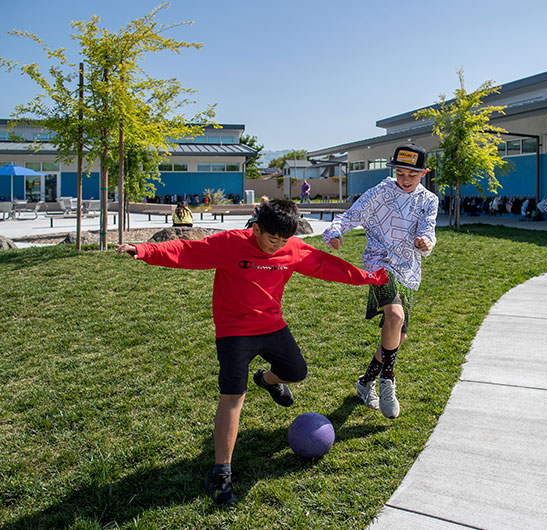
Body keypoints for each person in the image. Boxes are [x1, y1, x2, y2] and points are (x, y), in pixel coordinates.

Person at [117, 199, 387, 506]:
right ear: (256, 229)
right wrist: (143, 251)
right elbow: (187, 252)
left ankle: (269, 380)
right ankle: (220, 473)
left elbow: (327, 266)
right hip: (234, 331)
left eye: (283, 241)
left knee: (297, 372)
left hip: (272, 326)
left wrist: (369, 277)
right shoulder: (231, 244)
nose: (277, 247)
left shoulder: (293, 249)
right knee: (233, 396)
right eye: (272, 239)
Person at [322, 142, 438, 419]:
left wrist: (425, 243)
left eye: (412, 174)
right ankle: (388, 380)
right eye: (400, 173)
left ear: (424, 173)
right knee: (395, 317)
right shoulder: (380, 192)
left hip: (408, 269)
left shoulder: (429, 200)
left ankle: (365, 382)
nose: (405, 179)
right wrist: (334, 233)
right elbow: (349, 217)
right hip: (379, 263)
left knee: (399, 334)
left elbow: (428, 231)